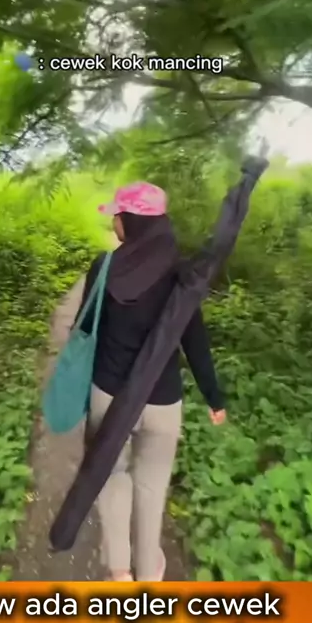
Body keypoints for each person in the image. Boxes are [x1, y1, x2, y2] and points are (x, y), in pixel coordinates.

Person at [75, 182, 226, 582]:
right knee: (151, 487)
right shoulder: (180, 274)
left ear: (131, 222)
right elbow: (195, 340)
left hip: (109, 395)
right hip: (163, 403)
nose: (113, 220)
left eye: (118, 215)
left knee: (111, 473)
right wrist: (214, 397)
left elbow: (84, 331)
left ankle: (119, 569)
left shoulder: (104, 267)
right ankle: (148, 571)